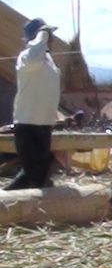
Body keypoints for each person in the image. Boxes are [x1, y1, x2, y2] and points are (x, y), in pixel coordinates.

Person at [5, 18, 61, 191]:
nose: (50, 39)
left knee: (38, 174)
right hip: (28, 124)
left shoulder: (48, 60)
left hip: (45, 124)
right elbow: (33, 60)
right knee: (33, 175)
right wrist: (41, 38)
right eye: (47, 35)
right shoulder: (27, 57)